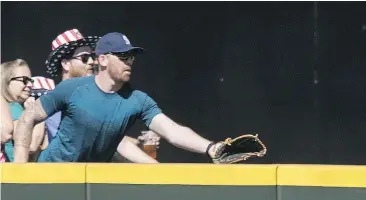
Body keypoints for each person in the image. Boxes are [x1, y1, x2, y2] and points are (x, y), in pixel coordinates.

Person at [13, 32, 226, 163]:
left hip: (93, 186)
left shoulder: (138, 100)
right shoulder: (72, 89)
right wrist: (19, 173)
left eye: (131, 57)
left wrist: (211, 148)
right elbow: (28, 117)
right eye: (123, 56)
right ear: (103, 60)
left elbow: (172, 131)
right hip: (53, 179)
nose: (129, 61)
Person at [42, 28, 156, 159]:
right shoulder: (52, 102)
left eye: (91, 56)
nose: (91, 62)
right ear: (66, 64)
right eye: (84, 58)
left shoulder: (90, 96)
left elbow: (111, 141)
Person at [1, 59, 47, 161]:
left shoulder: (16, 107)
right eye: (25, 80)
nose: (30, 85)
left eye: (31, 80)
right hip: (16, 174)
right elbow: (31, 145)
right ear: (7, 81)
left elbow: (43, 146)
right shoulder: (13, 108)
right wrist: (37, 111)